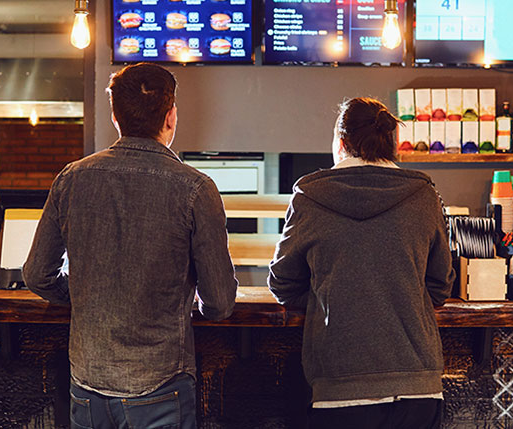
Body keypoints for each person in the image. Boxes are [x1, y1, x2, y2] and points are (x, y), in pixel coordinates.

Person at [23, 63, 237, 429]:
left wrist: (85, 295)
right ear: (171, 116)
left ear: (114, 116)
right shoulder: (196, 188)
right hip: (161, 382)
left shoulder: (72, 178)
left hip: (88, 381)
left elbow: (37, 276)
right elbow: (218, 302)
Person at [268, 97, 454, 429]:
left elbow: (282, 284)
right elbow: (440, 287)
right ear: (392, 144)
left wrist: (328, 298)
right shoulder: (424, 196)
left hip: (340, 388)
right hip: (417, 388)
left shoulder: (309, 199)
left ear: (340, 144)